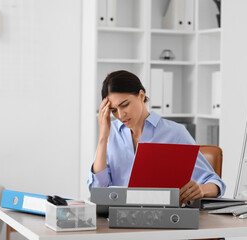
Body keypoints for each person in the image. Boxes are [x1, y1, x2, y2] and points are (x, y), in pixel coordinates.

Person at [87, 70, 225, 203]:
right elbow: (98, 191)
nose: (120, 115)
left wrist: (201, 189)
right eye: (113, 110)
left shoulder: (175, 133)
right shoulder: (111, 133)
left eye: (125, 105)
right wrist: (103, 137)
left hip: (163, 218)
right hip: (115, 218)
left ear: (141, 96)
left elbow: (214, 182)